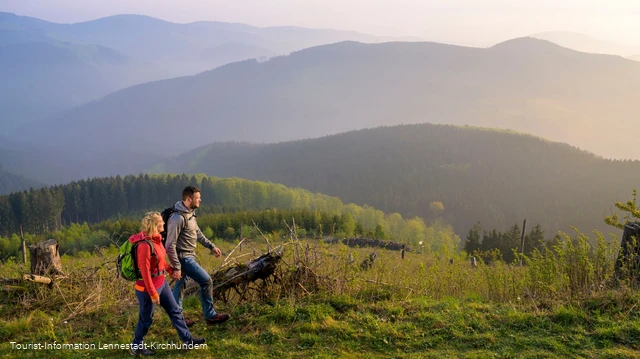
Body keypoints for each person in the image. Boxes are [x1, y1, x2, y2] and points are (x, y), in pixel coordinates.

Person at [129, 212, 205, 356]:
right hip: (146, 288)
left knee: (175, 310)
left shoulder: (156, 240)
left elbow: (160, 260)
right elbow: (145, 271)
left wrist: (170, 270)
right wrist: (152, 293)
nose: (164, 224)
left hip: (161, 283)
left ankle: (187, 341)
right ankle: (136, 346)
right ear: (154, 225)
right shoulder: (144, 245)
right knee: (146, 319)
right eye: (161, 222)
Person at [167, 185, 230, 326]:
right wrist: (177, 266)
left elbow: (198, 234)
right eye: (197, 198)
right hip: (184, 258)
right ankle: (210, 315)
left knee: (180, 286)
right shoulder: (177, 218)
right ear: (189, 199)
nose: (200, 200)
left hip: (189, 256)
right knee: (206, 281)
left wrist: (211, 246)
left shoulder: (190, 214)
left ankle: (177, 319)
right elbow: (169, 244)